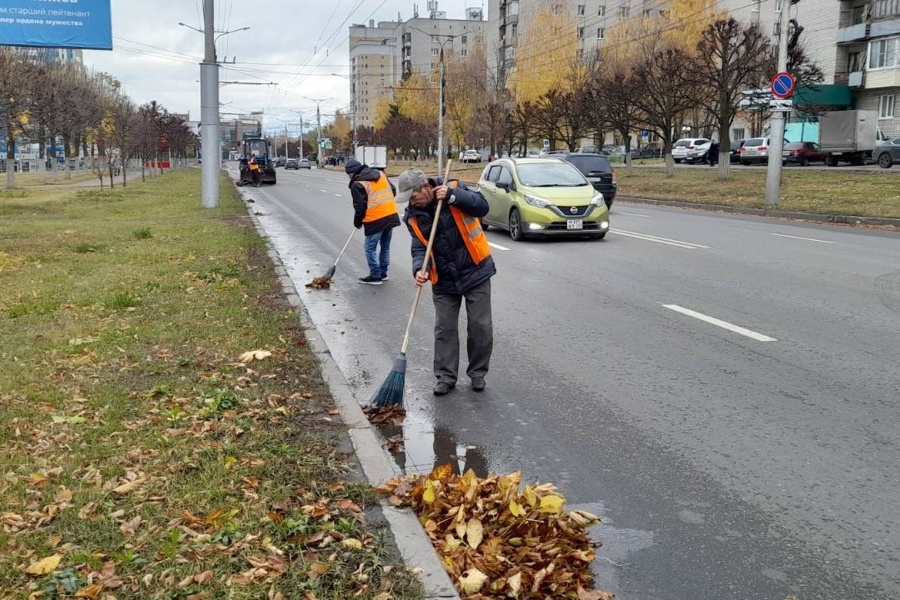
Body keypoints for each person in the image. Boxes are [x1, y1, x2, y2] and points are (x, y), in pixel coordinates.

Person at [396, 168, 496, 396]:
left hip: (474, 270)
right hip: (443, 279)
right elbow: (419, 247)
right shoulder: (412, 216)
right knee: (444, 329)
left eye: (413, 197)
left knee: (480, 326)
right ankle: (445, 376)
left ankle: (478, 373)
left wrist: (454, 196)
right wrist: (420, 269)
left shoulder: (454, 188)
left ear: (425, 187)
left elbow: (482, 206)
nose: (413, 202)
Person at [345, 158, 400, 285]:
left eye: (348, 174)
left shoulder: (357, 183)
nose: (348, 177)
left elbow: (360, 206)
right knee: (385, 247)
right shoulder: (380, 174)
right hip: (390, 214)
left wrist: (357, 221)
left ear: (352, 173)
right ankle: (383, 273)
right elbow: (393, 191)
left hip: (375, 219)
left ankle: (375, 276)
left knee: (369, 248)